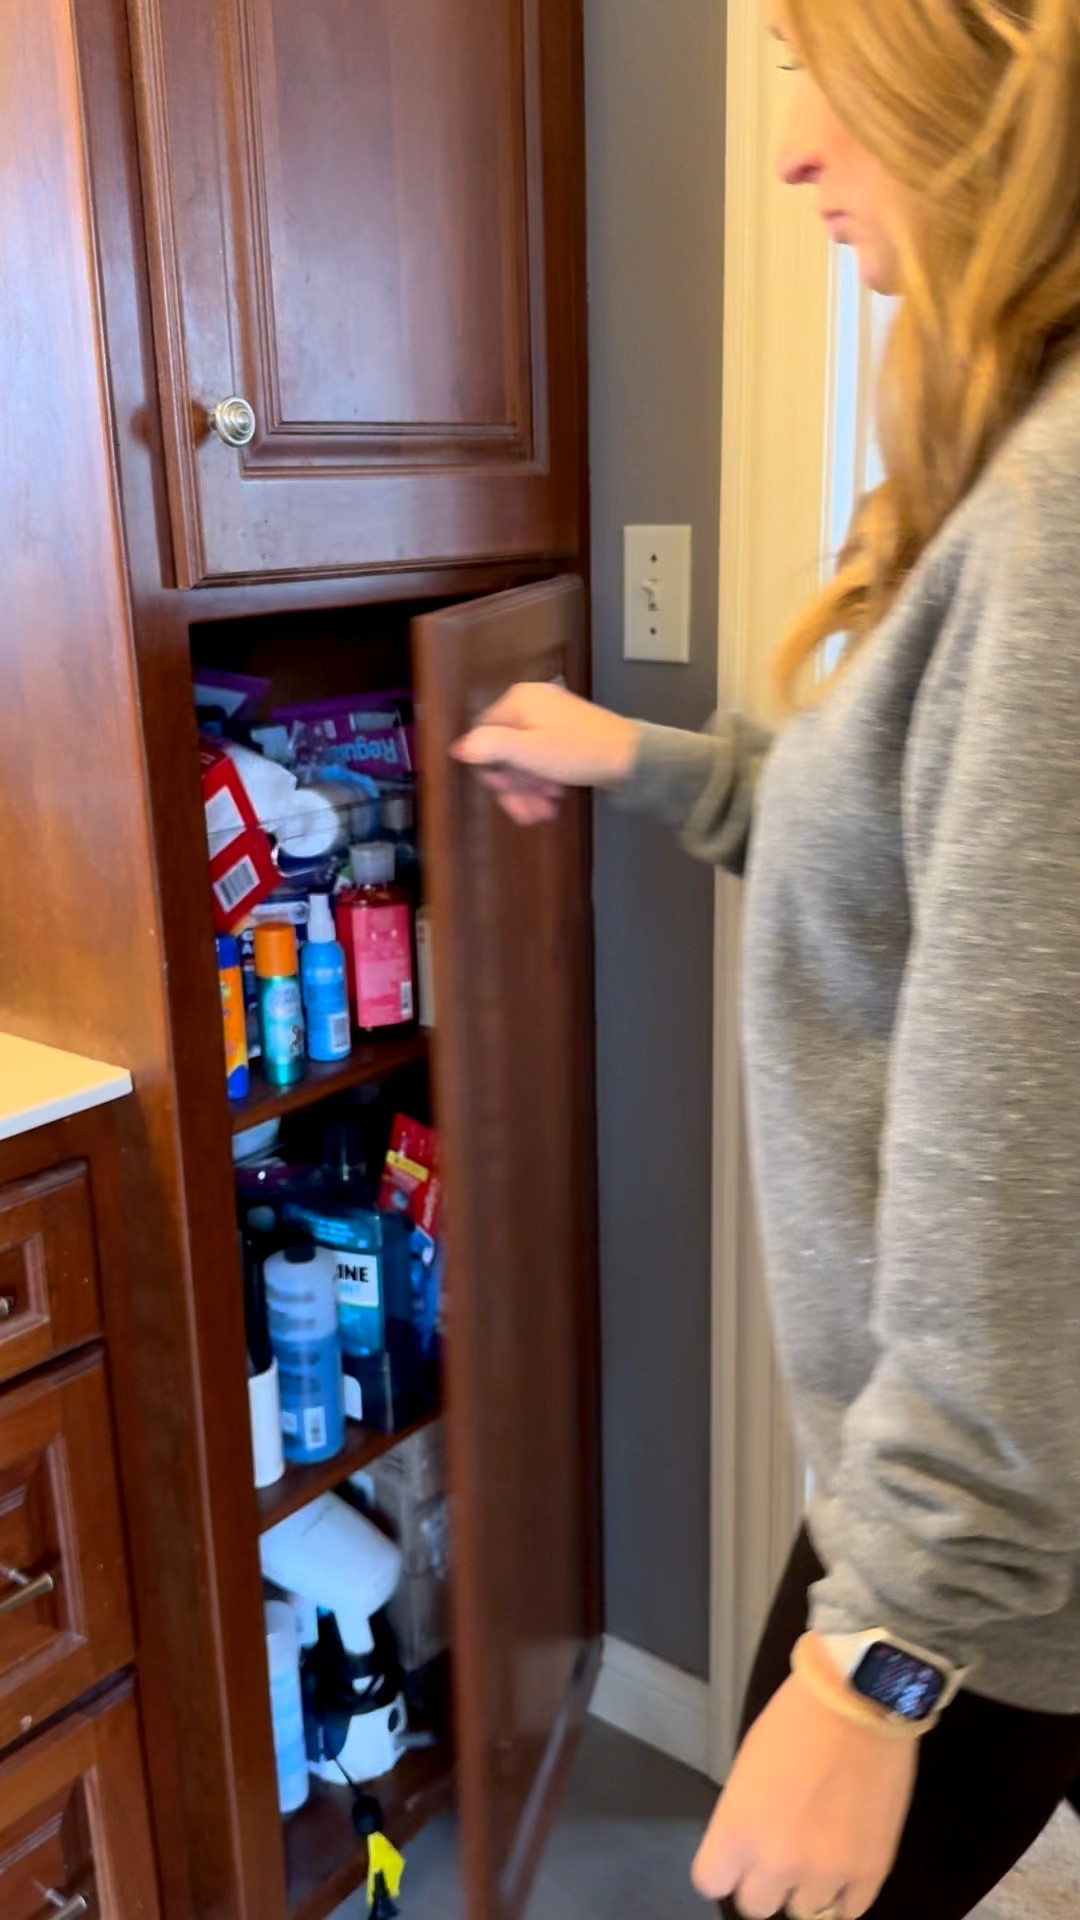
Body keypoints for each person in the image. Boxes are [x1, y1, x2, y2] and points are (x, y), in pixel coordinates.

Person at [452, 2, 1080, 1916]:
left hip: (981, 1564)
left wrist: (881, 1657)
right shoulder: (1021, 471)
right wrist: (642, 760)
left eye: (823, 60)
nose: (793, 142)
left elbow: (1024, 1147)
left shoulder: (1062, 513)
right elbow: (914, 853)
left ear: (999, 69)